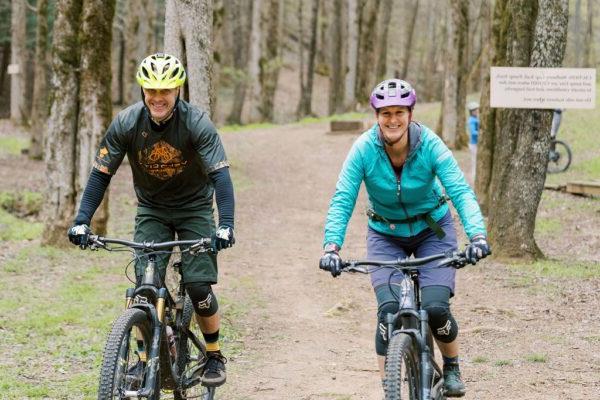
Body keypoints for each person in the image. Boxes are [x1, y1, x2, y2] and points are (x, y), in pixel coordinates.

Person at [67, 53, 234, 387]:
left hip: (194, 208)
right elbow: (101, 175)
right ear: (143, 89)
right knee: (144, 290)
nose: (158, 97)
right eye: (151, 89)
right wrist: (82, 219)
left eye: (166, 90)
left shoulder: (196, 123)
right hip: (152, 210)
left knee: (199, 285)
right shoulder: (127, 123)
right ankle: (144, 362)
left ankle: (213, 354)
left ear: (177, 90)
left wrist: (226, 224)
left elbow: (221, 178)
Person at [319, 79, 491, 397]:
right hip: (386, 235)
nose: (393, 120)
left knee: (437, 308)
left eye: (399, 112)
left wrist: (477, 236)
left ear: (411, 114)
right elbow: (343, 197)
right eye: (386, 114)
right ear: (377, 116)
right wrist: (331, 246)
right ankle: (391, 389)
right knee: (387, 311)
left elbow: (460, 191)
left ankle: (451, 366)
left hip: (433, 233)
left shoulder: (431, 146)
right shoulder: (363, 149)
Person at [467, 101, 480, 182]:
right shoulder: (472, 120)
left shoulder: (475, 119)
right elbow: (473, 132)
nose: (477, 111)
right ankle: (473, 177)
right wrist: (481, 133)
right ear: (471, 112)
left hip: (476, 144)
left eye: (477, 110)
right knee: (474, 161)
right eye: (475, 110)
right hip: (474, 144)